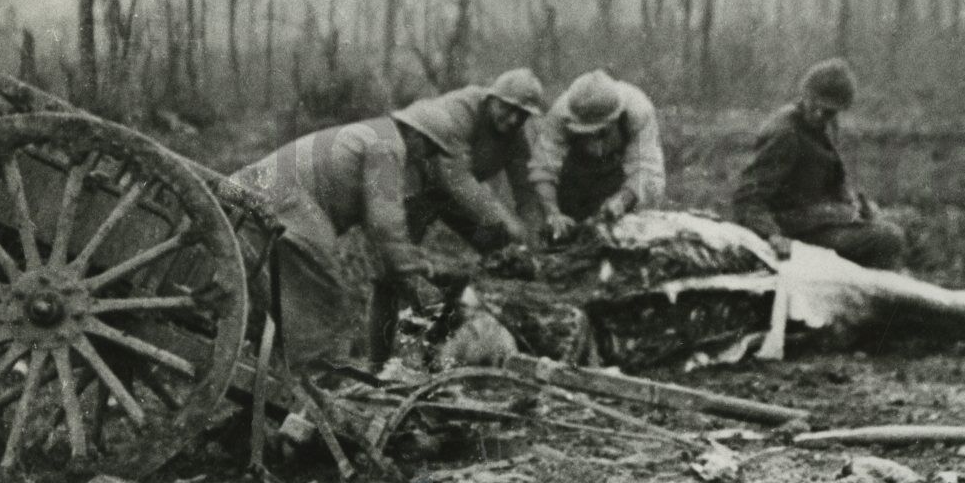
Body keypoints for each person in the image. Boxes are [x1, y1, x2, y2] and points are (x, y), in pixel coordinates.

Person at [230, 71, 545, 372]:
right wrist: (418, 272)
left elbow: (383, 225)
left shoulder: (379, 136)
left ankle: (290, 367)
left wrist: (415, 264)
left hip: (271, 195)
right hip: (285, 202)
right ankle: (315, 380)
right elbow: (386, 226)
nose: (428, 158)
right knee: (325, 298)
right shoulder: (387, 149)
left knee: (304, 295)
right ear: (418, 137)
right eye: (430, 150)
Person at [732, 57, 906, 270]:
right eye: (815, 105)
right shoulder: (786, 133)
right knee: (887, 239)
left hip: (818, 219)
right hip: (792, 230)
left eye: (829, 111)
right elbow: (747, 197)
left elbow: (831, 177)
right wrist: (773, 235)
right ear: (805, 95)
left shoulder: (824, 126)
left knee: (888, 226)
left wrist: (856, 206)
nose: (819, 114)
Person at [390, 68, 548, 249]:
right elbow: (455, 176)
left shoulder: (517, 139)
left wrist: (533, 235)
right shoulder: (462, 109)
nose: (514, 119)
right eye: (508, 108)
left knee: (499, 241)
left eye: (522, 114)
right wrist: (504, 219)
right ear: (492, 98)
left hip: (450, 194)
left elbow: (526, 191)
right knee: (398, 245)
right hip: (415, 176)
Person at [529, 69, 665, 240]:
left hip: (622, 172)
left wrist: (623, 200)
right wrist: (552, 212)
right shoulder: (560, 113)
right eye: (586, 134)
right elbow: (543, 167)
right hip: (578, 174)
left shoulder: (638, 109)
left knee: (633, 235)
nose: (596, 148)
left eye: (602, 133)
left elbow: (646, 168)